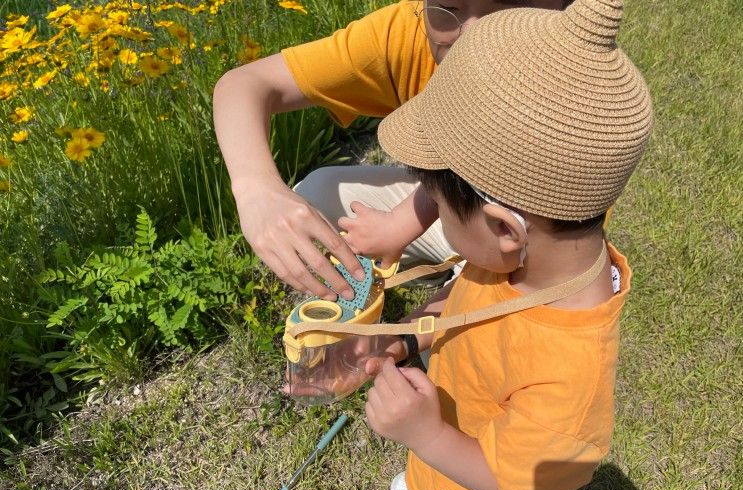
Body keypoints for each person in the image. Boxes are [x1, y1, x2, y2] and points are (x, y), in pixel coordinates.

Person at [356, 0, 654, 490]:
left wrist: (426, 435)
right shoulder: (526, 260)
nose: (436, 220)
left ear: (504, 228)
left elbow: (513, 482)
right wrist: (406, 338)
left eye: (440, 210)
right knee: (426, 469)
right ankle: (422, 478)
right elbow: (464, 306)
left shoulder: (571, 379)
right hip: (448, 431)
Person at [212, 0, 572, 302]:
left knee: (462, 353)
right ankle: (442, 267)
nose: (470, 36)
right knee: (318, 192)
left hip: (533, 246)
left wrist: (412, 332)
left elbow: (543, 254)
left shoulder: (577, 84)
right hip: (458, 209)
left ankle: (452, 282)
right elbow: (244, 84)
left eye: (506, 7)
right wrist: (255, 188)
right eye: (448, 6)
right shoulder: (407, 32)